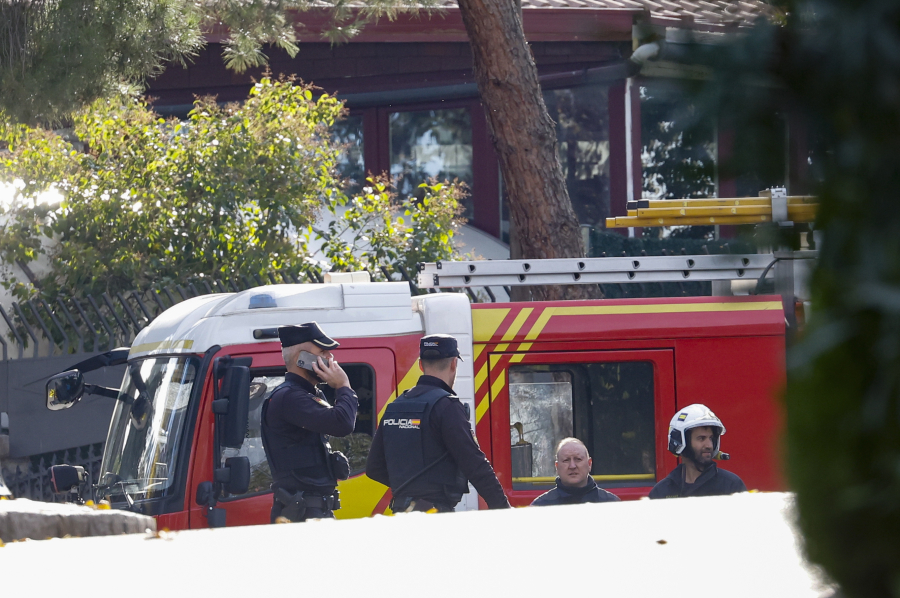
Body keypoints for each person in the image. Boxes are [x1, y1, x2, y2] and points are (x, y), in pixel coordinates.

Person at [366, 334, 511, 512]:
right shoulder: (446, 406)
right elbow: (475, 464)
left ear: (421, 365)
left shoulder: (395, 407)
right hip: (436, 514)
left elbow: (374, 468)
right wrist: (503, 509)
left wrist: (409, 488)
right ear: (453, 364)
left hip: (402, 514)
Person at [260, 322, 358, 522]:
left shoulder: (308, 394)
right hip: (300, 512)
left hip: (312, 510)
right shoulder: (290, 397)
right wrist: (343, 386)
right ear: (301, 358)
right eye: (323, 352)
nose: (331, 358)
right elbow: (342, 424)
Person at [649, 404, 747, 499]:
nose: (709, 445)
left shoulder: (731, 486)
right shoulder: (662, 492)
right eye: (701, 438)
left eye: (711, 438)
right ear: (681, 441)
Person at [531, 438, 620, 506]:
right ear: (557, 467)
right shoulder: (540, 506)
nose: (572, 466)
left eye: (578, 459)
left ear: (589, 464)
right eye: (566, 460)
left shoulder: (611, 504)